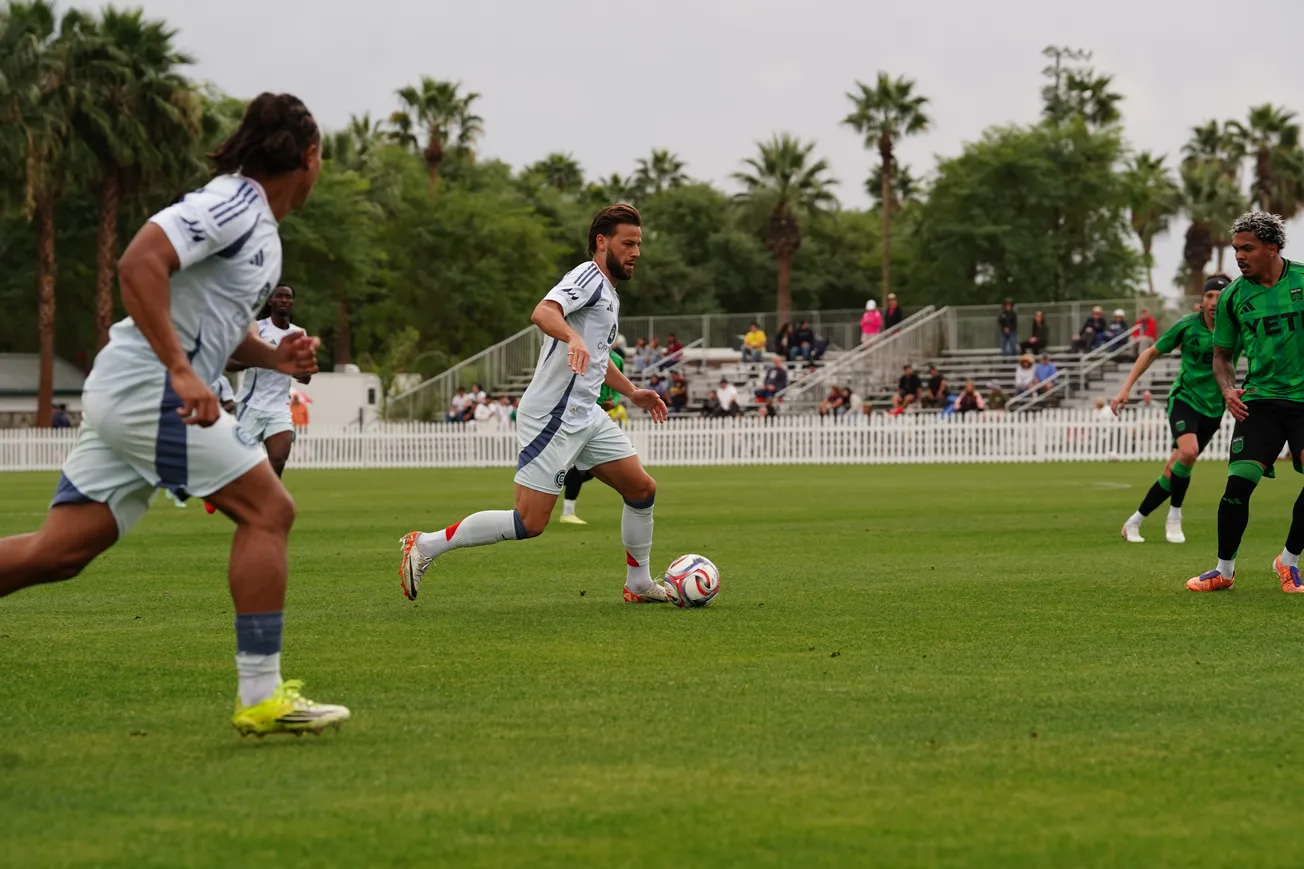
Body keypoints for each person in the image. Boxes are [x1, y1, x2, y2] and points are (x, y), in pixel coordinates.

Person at [0, 92, 348, 736]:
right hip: (150, 388)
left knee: (61, 552)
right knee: (270, 509)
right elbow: (140, 262)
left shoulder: (261, 231)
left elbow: (213, 325)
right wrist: (184, 372)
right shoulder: (232, 204)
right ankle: (261, 698)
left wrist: (274, 358)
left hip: (132, 387)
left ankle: (261, 696)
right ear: (308, 157)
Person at [398, 204, 671, 604]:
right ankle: (425, 544)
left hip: (585, 413)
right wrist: (571, 337)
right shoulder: (587, 277)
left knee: (641, 488)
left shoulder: (608, 293)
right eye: (628, 243)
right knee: (529, 522)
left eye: (639, 244)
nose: (636, 252)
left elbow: (594, 358)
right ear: (601, 243)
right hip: (553, 416)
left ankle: (638, 583)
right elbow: (543, 312)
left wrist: (631, 392)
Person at [1187, 212, 1304, 592]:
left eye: (1247, 248)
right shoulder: (1233, 297)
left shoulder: (1303, 280)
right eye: (1236, 248)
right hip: (1260, 401)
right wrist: (1227, 388)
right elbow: (1221, 356)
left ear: (1272, 247)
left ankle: (1288, 562)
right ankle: (1224, 570)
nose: (1238, 255)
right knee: (1239, 483)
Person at [1114, 276, 1231, 544]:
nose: (1214, 301)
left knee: (1173, 469)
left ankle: (1134, 522)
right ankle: (1174, 517)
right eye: (1210, 295)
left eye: (1220, 295)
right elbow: (1151, 353)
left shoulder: (1234, 329)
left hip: (1214, 407)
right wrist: (1126, 389)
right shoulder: (1187, 326)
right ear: (1201, 301)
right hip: (1184, 399)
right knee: (1188, 452)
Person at [227, 284, 309, 480]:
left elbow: (305, 376)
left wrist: (301, 372)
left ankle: (267, 502)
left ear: (292, 303)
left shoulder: (299, 334)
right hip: (252, 406)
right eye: (279, 296)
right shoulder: (257, 328)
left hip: (279, 408)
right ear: (270, 301)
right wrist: (269, 360)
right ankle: (219, 491)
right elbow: (229, 363)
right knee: (239, 464)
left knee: (279, 458)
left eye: (288, 297)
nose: (284, 300)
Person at [560, 347, 627, 526]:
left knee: (589, 472)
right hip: (580, 414)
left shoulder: (616, 360)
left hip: (600, 416)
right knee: (583, 469)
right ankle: (567, 512)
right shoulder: (583, 352)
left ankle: (555, 481)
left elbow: (619, 385)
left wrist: (614, 401)